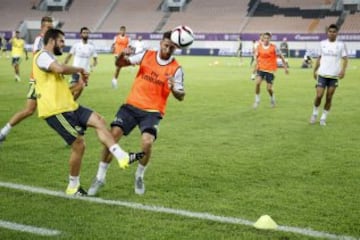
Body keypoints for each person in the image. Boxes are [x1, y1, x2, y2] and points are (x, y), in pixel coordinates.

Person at [33, 28, 144, 195]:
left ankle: (122, 156)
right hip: (55, 111)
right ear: (52, 41)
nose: (64, 44)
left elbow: (63, 89)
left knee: (99, 120)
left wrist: (80, 85)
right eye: (61, 41)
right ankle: (73, 186)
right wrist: (79, 69)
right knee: (79, 145)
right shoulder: (42, 56)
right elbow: (60, 69)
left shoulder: (50, 59)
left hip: (69, 105)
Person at [88, 30, 185, 196]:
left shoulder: (176, 69)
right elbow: (120, 64)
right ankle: (100, 177)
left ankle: (139, 175)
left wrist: (174, 89)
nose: (168, 50)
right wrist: (122, 55)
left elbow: (181, 96)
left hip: (152, 111)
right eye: (166, 45)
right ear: (161, 42)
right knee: (112, 136)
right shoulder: (146, 55)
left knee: (147, 143)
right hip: (131, 105)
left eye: (172, 48)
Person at [0, 16, 53, 146]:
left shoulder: (49, 41)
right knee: (31, 110)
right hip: (38, 80)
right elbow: (38, 58)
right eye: (48, 27)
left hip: (45, 81)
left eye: (52, 27)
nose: (51, 29)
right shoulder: (40, 40)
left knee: (52, 108)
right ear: (42, 27)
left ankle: (3, 132)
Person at [309, 24, 348, 126]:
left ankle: (323, 117)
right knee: (319, 96)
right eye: (330, 31)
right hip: (322, 74)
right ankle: (314, 114)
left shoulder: (341, 45)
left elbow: (345, 59)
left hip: (334, 76)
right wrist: (314, 70)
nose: (332, 33)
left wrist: (343, 70)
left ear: (337, 33)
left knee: (329, 97)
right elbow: (319, 58)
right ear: (327, 33)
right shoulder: (322, 43)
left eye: (334, 32)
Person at [253, 32, 288, 109]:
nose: (266, 39)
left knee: (269, 88)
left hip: (270, 70)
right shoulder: (259, 47)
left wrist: (285, 68)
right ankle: (257, 100)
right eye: (265, 38)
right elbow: (256, 58)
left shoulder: (274, 47)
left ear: (270, 39)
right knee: (257, 83)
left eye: (267, 38)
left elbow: (281, 56)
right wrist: (255, 69)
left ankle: (272, 99)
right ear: (263, 38)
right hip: (261, 69)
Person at [64, 27, 98, 99]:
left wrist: (92, 67)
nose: (85, 34)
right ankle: (66, 101)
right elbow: (69, 56)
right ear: (81, 34)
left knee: (80, 90)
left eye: (87, 33)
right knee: (73, 88)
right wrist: (63, 65)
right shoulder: (76, 45)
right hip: (75, 70)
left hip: (85, 72)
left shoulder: (91, 46)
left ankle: (72, 104)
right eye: (84, 33)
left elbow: (95, 60)